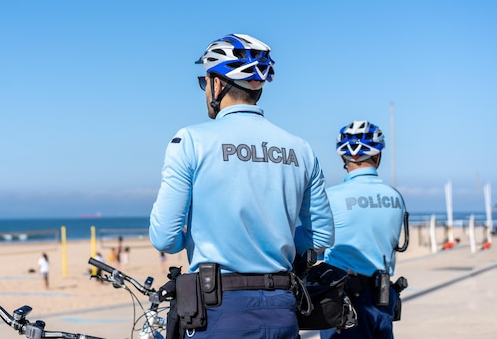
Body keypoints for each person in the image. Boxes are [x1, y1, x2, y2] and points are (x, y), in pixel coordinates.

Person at [149, 33, 335, 339]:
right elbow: (322, 235)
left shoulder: (191, 141)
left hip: (218, 308)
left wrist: (196, 235)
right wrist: (279, 239)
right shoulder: (300, 149)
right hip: (282, 308)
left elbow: (165, 238)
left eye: (204, 81)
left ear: (217, 84)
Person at [320, 120, 407, 339]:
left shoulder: (331, 197)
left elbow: (314, 243)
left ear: (343, 157)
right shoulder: (395, 197)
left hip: (344, 303)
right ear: (377, 156)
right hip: (383, 298)